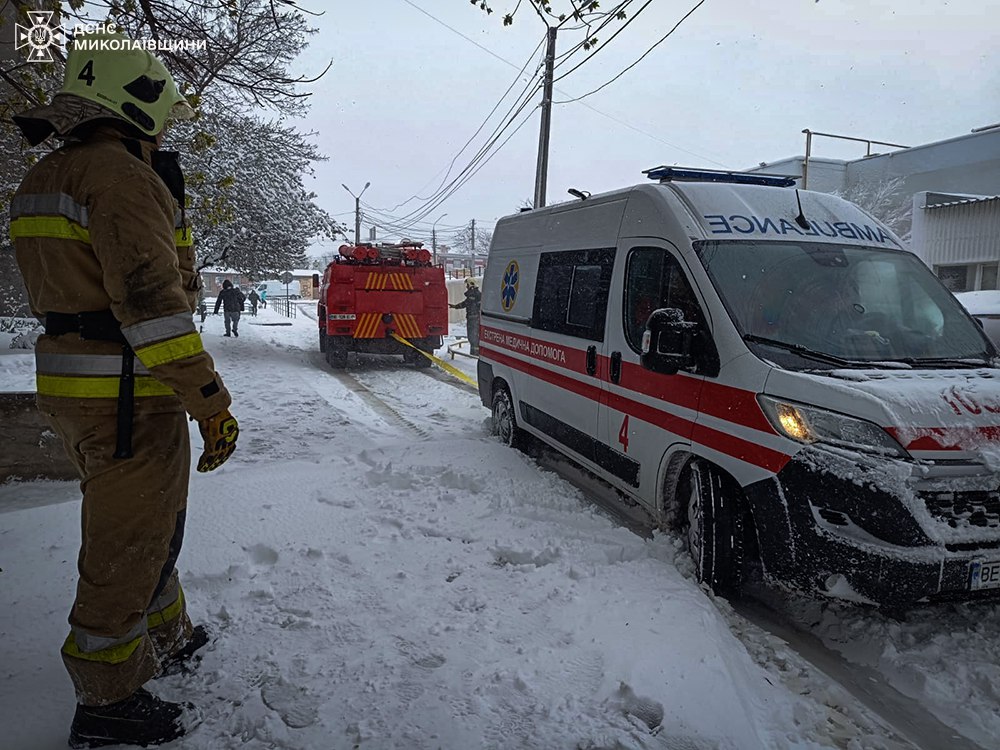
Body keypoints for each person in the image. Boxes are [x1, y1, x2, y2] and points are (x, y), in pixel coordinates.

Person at [9, 30, 238, 748]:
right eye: (160, 108)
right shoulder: (119, 178)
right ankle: (107, 703)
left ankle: (167, 637)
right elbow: (153, 310)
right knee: (127, 539)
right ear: (129, 98)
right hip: (129, 395)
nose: (166, 123)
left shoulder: (47, 175)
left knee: (150, 523)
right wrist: (211, 403)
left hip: (81, 389)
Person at [450, 277, 483, 355]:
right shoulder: (475, 294)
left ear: (471, 285)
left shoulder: (474, 294)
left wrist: (455, 306)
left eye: (467, 285)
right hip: (473, 317)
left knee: (473, 336)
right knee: (472, 336)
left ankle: (475, 353)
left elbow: (466, 303)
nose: (466, 287)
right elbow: (466, 303)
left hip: (473, 318)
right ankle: (474, 352)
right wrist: (455, 306)